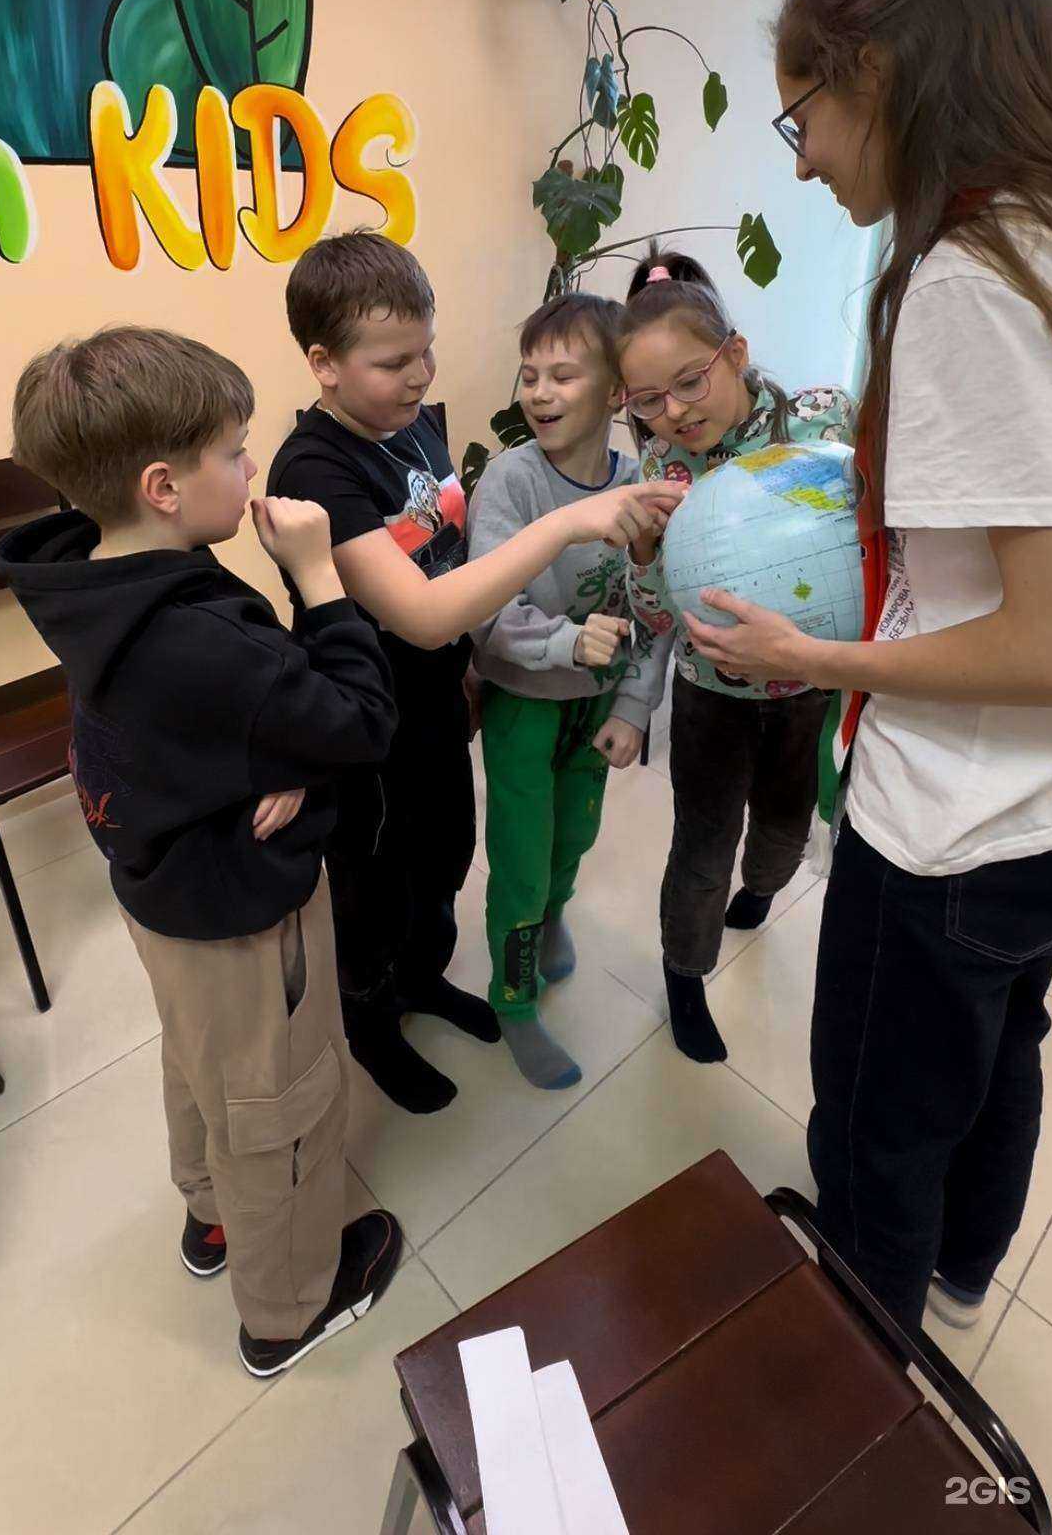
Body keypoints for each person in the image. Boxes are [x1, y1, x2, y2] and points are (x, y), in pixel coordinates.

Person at [681, 0, 1052, 1333]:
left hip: (943, 833)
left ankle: (859, 1378)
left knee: (873, 1130)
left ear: (877, 78)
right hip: (1032, 832)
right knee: (997, 1053)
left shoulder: (968, 278)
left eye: (802, 121)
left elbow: (1037, 641)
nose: (809, 159)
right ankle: (964, 1271)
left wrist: (806, 655)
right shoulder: (1037, 243)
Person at [0, 326, 403, 1380]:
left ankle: (213, 1219)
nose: (254, 465)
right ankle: (288, 1304)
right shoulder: (204, 639)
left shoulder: (93, 576)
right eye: (236, 449)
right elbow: (359, 721)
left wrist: (277, 757)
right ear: (165, 484)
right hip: (243, 915)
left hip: (162, 890)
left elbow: (221, 720)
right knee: (283, 1099)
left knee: (203, 1062)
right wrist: (317, 580)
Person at [267, 234, 673, 1114]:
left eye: (426, 353)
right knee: (377, 879)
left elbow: (448, 549)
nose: (419, 378)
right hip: (365, 722)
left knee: (445, 852)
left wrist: (476, 675)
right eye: (392, 362)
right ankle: (372, 1023)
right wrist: (567, 526)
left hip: (438, 702)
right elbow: (420, 608)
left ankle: (422, 979)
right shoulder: (314, 469)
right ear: (323, 364)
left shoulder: (406, 424)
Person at [619, 251, 854, 1065]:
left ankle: (759, 894)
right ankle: (684, 975)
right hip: (710, 694)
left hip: (807, 686)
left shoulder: (824, 423)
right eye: (647, 401)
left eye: (690, 381)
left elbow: (880, 551)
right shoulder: (657, 469)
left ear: (736, 354)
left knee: (785, 832)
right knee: (700, 846)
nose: (674, 412)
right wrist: (646, 545)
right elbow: (653, 613)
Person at [468, 293, 675, 1090]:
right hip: (523, 704)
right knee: (520, 861)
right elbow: (483, 606)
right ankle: (512, 1001)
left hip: (595, 705)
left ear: (616, 392)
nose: (539, 393)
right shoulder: (512, 484)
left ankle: (553, 916)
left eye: (562, 375)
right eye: (528, 376)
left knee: (573, 837)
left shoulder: (643, 484)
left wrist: (630, 706)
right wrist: (562, 642)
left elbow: (657, 606)